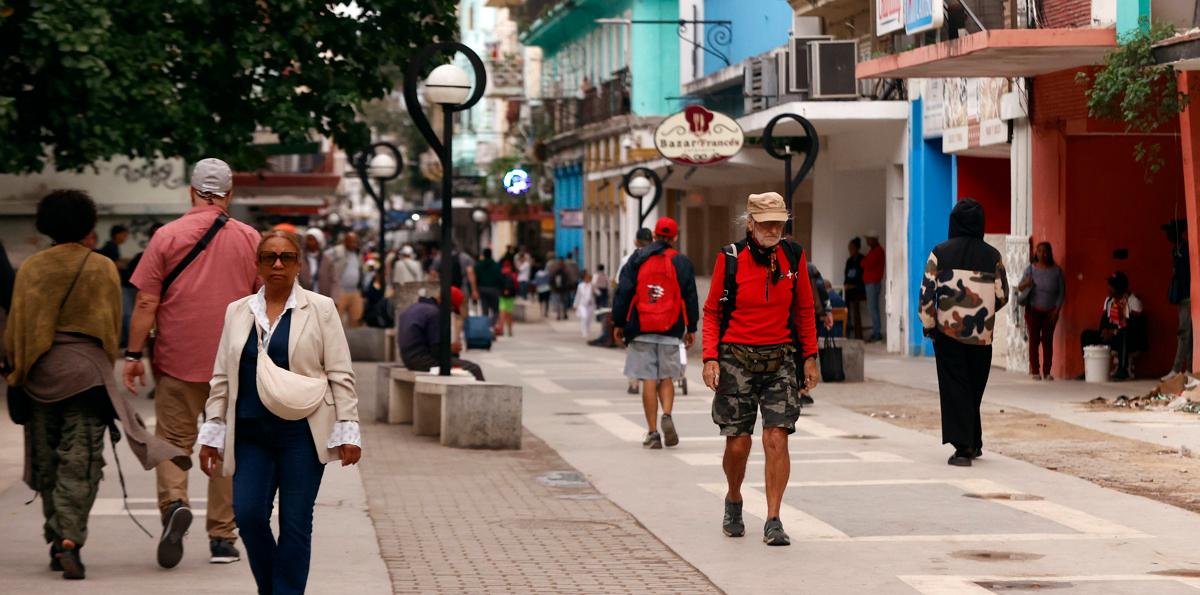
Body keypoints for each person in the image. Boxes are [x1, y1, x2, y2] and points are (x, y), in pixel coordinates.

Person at [8, 190, 188, 579]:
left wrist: (17, 373)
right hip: (87, 377)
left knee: (48, 461)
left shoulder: (32, 269)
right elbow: (110, 330)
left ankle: (57, 539)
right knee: (81, 461)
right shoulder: (102, 267)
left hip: (40, 376)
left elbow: (18, 328)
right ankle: (71, 539)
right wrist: (108, 364)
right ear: (89, 225)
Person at [198, 230, 362, 595]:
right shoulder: (237, 311)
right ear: (256, 265)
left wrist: (348, 430)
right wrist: (212, 433)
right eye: (269, 257)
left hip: (301, 434)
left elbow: (340, 372)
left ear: (298, 265)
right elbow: (222, 376)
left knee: (295, 524)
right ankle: (274, 586)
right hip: (251, 434)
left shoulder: (320, 309)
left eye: (286, 257)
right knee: (249, 514)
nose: (277, 264)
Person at [125, 157, 262, 568]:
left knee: (171, 440)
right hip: (235, 362)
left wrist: (132, 355)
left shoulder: (166, 236)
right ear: (229, 195)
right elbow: (267, 304)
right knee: (225, 444)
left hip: (177, 357)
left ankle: (174, 506)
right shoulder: (250, 238)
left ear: (191, 191)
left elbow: (147, 300)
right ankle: (222, 538)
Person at [701, 192, 820, 547]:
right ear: (750, 223)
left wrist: (810, 356)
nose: (773, 230)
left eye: (778, 224)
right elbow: (712, 312)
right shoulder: (730, 258)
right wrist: (710, 358)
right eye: (766, 223)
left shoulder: (793, 256)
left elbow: (805, 310)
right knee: (738, 442)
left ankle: (773, 518)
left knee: (777, 437)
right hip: (736, 358)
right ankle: (734, 498)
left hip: (780, 358)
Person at [918, 199, 1009, 467]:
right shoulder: (992, 256)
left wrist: (929, 323)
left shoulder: (940, 253)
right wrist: (986, 312)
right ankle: (975, 440)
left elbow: (926, 293)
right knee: (974, 387)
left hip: (948, 333)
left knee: (956, 387)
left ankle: (963, 449)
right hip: (982, 336)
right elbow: (1003, 294)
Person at [612, 217, 699, 450]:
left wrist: (619, 322)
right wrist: (691, 328)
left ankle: (652, 433)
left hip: (641, 327)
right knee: (667, 377)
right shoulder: (681, 262)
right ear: (675, 237)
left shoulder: (638, 258)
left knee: (648, 379)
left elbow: (624, 291)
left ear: (654, 234)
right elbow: (690, 296)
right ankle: (667, 414)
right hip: (671, 327)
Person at [397, 286, 485, 381]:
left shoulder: (415, 307)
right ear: (448, 303)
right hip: (422, 361)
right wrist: (451, 349)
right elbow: (436, 351)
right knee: (474, 369)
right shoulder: (434, 313)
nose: (450, 312)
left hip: (408, 359)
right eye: (451, 308)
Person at [1081, 271, 1147, 381]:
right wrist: (1104, 332)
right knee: (1086, 335)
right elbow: (1104, 321)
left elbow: (1134, 328)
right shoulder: (1109, 301)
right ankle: (1088, 368)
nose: (1109, 288)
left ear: (1120, 288)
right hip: (1112, 337)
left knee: (1123, 334)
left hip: (1130, 340)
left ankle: (1123, 370)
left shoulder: (1133, 301)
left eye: (1112, 286)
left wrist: (1114, 332)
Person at [1018, 242, 1065, 381]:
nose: (1042, 254)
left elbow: (1061, 293)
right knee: (1034, 340)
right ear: (1035, 253)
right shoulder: (1030, 269)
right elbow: (1020, 287)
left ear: (1050, 253)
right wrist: (1027, 283)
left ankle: (1047, 371)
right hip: (1033, 310)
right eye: (1039, 251)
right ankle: (1035, 371)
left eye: (1045, 251)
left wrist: (1056, 310)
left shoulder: (1057, 271)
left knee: (1047, 341)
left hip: (1050, 312)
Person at [618, 228, 654, 395]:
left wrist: (618, 321)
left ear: (635, 241)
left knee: (634, 348)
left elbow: (622, 289)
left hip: (635, 313)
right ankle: (654, 379)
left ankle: (633, 383)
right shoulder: (660, 257)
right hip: (657, 311)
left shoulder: (628, 260)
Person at [319, 232, 365, 328]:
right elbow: (323, 258)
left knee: (356, 319)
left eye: (355, 242)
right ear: (345, 241)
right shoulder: (336, 251)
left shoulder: (358, 253)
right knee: (335, 321)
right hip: (341, 291)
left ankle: (353, 341)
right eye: (351, 242)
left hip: (355, 291)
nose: (354, 244)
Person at [1164, 221, 1191, 381]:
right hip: (1182, 296)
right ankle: (1185, 368)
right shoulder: (1176, 250)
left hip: (1187, 296)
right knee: (1185, 333)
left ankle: (1180, 368)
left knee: (1184, 333)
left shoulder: (1185, 250)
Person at [862, 231, 885, 342]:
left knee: (872, 308)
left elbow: (865, 264)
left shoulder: (877, 251)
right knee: (873, 308)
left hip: (873, 283)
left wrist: (864, 261)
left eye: (869, 239)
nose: (867, 241)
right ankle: (876, 332)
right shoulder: (873, 251)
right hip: (871, 283)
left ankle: (877, 333)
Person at [843, 237, 866, 340]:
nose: (850, 251)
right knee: (844, 305)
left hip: (859, 290)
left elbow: (863, 278)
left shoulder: (862, 259)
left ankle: (858, 335)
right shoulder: (849, 261)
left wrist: (853, 285)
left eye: (851, 248)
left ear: (857, 248)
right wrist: (846, 285)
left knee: (856, 309)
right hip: (849, 290)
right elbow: (846, 276)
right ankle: (846, 331)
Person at [474, 248, 503, 327]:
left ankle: (485, 326)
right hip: (494, 289)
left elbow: (475, 277)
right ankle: (491, 324)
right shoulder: (496, 265)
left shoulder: (478, 265)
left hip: (482, 289)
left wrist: (475, 289)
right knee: (496, 310)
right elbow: (500, 277)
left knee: (484, 310)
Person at [298, 228, 326, 294]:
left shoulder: (326, 259)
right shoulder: (299, 257)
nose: (308, 242)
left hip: (321, 295)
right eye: (307, 239)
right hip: (303, 294)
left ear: (319, 241)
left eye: (311, 239)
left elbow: (333, 280)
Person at [498, 260, 518, 337]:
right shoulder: (513, 274)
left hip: (503, 295)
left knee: (502, 312)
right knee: (509, 314)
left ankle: (501, 329)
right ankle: (510, 330)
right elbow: (516, 285)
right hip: (511, 296)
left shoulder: (502, 272)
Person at [575, 271, 597, 339]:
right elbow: (578, 295)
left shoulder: (592, 285)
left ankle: (587, 329)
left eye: (589, 278)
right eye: (587, 278)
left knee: (589, 318)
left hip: (590, 305)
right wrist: (575, 304)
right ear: (584, 278)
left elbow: (598, 293)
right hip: (582, 304)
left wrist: (594, 289)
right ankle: (584, 332)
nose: (588, 279)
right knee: (584, 317)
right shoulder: (580, 286)